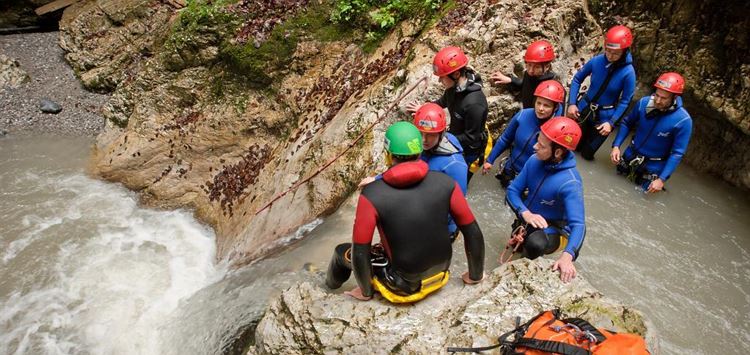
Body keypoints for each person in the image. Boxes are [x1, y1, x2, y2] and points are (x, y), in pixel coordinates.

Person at [326, 122, 485, 303]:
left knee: (341, 252)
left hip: (403, 285)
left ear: (388, 154)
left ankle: (328, 288)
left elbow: (360, 249)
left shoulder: (372, 194)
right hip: (441, 274)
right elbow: (473, 232)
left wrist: (366, 292)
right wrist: (475, 275)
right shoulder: (446, 183)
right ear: (419, 152)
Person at [505, 117, 585, 283]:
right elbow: (512, 191)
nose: (535, 147)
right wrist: (526, 214)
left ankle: (522, 279)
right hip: (528, 220)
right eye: (537, 141)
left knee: (534, 244)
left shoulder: (570, 183)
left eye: (541, 145)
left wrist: (567, 256)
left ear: (557, 152)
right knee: (519, 243)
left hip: (553, 231)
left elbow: (579, 225)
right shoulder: (534, 160)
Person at [407, 46, 488, 182]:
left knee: (457, 177)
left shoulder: (474, 103)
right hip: (454, 135)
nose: (439, 81)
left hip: (469, 149)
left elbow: (471, 137)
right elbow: (442, 102)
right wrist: (424, 109)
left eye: (442, 77)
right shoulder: (453, 89)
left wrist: (442, 138)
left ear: (456, 74)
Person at [610, 72, 693, 193]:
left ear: (675, 98)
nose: (658, 101)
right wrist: (616, 146)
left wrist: (661, 179)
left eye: (664, 98)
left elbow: (677, 153)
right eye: (657, 95)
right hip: (630, 157)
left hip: (653, 168)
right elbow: (627, 123)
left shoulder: (683, 120)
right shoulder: (644, 103)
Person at [567, 25, 636, 160]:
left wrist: (611, 123)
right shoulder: (597, 61)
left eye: (615, 53)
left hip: (604, 118)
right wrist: (572, 103)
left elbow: (625, 101)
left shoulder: (628, 73)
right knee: (571, 146)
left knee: (587, 155)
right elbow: (577, 79)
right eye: (608, 51)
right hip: (583, 109)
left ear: (624, 51)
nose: (610, 56)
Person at [482, 80, 566, 187]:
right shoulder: (522, 115)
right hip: (510, 169)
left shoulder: (558, 130)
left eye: (546, 106)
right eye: (538, 103)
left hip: (531, 179)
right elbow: (505, 139)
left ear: (556, 108)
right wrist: (490, 160)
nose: (540, 109)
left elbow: (558, 162)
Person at [413, 102, 468, 238]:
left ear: (442, 133)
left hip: (441, 227)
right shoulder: (423, 147)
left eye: (430, 135)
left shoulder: (455, 165)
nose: (424, 140)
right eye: (421, 133)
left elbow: (457, 207)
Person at [490, 40, 563, 115]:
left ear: (547, 67)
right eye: (529, 65)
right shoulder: (529, 75)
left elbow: (559, 111)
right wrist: (510, 80)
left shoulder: (553, 85)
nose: (531, 70)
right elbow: (525, 85)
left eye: (536, 67)